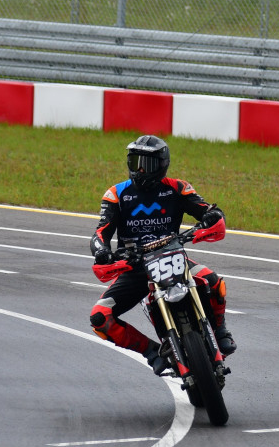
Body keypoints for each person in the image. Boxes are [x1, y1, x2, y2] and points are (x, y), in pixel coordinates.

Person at [89, 135, 235, 375]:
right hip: (135, 268)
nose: (140, 170)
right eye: (135, 162)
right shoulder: (116, 194)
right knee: (99, 317)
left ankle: (220, 330)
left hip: (173, 257)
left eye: (146, 164)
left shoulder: (177, 187)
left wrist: (212, 216)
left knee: (214, 281)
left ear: (162, 165)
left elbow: (208, 210)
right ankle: (151, 352)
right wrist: (102, 251)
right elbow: (100, 232)